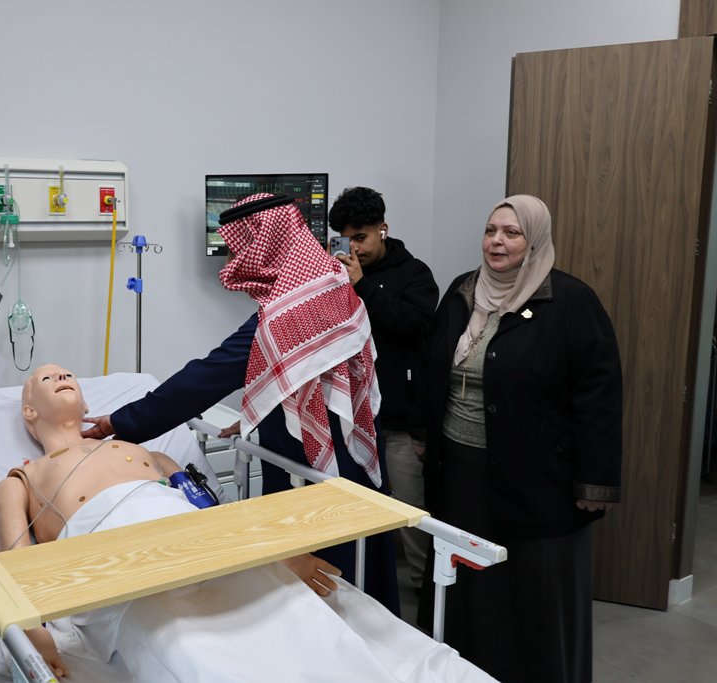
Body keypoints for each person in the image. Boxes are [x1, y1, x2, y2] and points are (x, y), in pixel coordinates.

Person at [0, 364, 491, 683]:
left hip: (205, 548)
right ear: (28, 410)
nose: (63, 375)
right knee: (190, 648)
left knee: (297, 616)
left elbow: (210, 511)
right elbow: (17, 565)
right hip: (118, 572)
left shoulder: (142, 452)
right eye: (47, 378)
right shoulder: (22, 479)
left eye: (68, 374)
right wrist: (35, 637)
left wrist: (275, 555)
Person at [82, 193, 401, 615]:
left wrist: (119, 423)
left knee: (331, 590)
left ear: (266, 246)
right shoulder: (331, 283)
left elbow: (207, 377)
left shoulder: (289, 313)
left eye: (241, 248)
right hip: (351, 453)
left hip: (320, 474)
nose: (235, 260)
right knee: (365, 580)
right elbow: (311, 379)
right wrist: (261, 413)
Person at [419, 195, 621, 683]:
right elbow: (432, 369)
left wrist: (595, 480)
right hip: (461, 475)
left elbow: (598, 398)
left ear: (534, 240)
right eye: (491, 231)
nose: (497, 242)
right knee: (468, 588)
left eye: (512, 233)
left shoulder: (570, 302)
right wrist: (424, 435)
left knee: (527, 598)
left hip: (537, 481)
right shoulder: (462, 292)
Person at [329, 186, 438, 592]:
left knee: (411, 510)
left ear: (383, 230)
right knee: (356, 505)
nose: (354, 248)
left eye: (361, 237)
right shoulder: (336, 274)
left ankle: (426, 593)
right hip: (350, 415)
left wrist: (362, 285)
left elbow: (412, 322)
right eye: (346, 239)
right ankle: (364, 586)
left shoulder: (415, 274)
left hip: (398, 419)